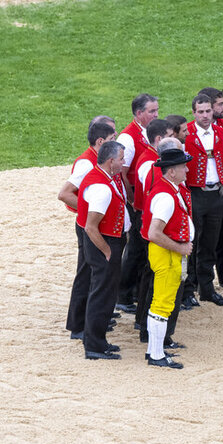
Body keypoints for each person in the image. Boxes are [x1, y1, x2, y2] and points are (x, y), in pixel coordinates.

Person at [61, 116, 117, 340]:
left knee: (90, 271)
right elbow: (64, 194)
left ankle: (89, 318)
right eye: (113, 137)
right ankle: (78, 324)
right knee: (86, 272)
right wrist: (89, 211)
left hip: (88, 223)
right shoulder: (86, 163)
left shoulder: (95, 158)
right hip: (88, 226)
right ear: (101, 142)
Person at [76, 140, 129, 359]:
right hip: (105, 243)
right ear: (111, 161)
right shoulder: (101, 188)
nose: (123, 162)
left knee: (103, 293)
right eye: (121, 159)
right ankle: (95, 346)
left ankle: (97, 341)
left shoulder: (104, 177)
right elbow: (90, 227)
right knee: (102, 295)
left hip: (108, 240)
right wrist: (107, 251)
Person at [145, 147, 196, 369]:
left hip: (169, 253)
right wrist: (180, 247)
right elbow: (154, 233)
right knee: (162, 304)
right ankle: (156, 355)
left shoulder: (169, 189)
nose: (187, 169)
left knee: (162, 302)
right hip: (167, 254)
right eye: (182, 166)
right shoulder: (166, 196)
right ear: (171, 171)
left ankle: (154, 350)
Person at [183, 93, 223, 307]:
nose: (205, 115)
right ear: (194, 113)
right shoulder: (186, 133)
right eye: (201, 112)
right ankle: (189, 289)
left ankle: (207, 289)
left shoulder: (222, 133)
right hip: (196, 193)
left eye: (208, 111)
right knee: (191, 242)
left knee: (210, 244)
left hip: (216, 194)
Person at [131, 119, 177, 335]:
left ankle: (143, 322)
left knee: (149, 274)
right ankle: (146, 325)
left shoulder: (151, 161)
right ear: (159, 140)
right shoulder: (153, 166)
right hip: (155, 224)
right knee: (151, 275)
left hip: (150, 221)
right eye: (171, 135)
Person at [115, 94, 160, 312]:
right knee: (134, 247)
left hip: (143, 199)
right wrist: (132, 201)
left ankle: (132, 291)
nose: (156, 114)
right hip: (136, 201)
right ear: (139, 113)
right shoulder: (129, 137)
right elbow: (123, 173)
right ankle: (123, 295)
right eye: (152, 111)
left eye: (157, 110)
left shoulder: (145, 133)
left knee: (139, 249)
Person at [198, 86, 223, 291]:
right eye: (220, 104)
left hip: (219, 192)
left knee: (220, 237)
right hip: (200, 192)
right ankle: (197, 282)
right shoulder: (191, 131)